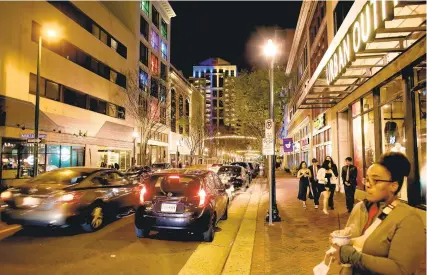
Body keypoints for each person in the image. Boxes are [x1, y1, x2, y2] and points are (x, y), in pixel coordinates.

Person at [329, 152, 425, 275]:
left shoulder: (409, 219)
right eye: (367, 179)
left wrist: (355, 257)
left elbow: (401, 270)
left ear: (393, 186)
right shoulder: (366, 208)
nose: (368, 185)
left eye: (375, 180)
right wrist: (344, 240)